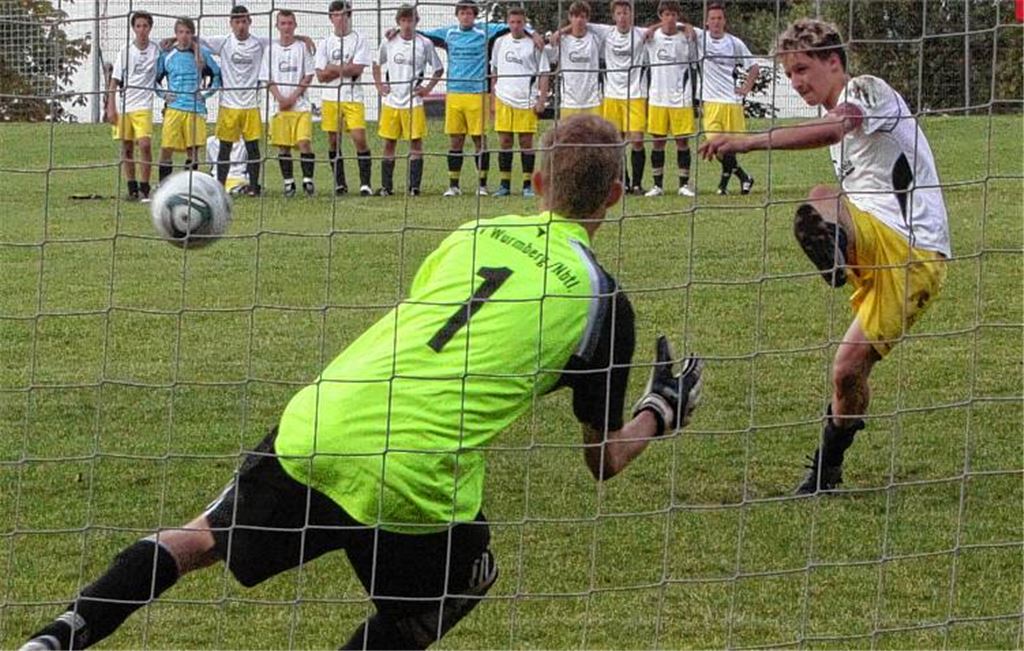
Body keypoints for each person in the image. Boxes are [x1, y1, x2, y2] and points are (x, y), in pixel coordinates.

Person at [20, 113, 704, 651]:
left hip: (324, 418)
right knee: (458, 584)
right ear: (616, 192)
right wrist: (658, 409)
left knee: (196, 538)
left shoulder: (475, 234)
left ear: (535, 182)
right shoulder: (603, 303)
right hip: (416, 475)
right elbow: (602, 459)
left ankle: (58, 635)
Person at [699, 18, 950, 494]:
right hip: (874, 248)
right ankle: (826, 473)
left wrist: (749, 140)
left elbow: (837, 129)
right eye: (789, 74)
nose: (795, 82)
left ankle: (836, 251)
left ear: (833, 61)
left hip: (912, 252)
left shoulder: (867, 90)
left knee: (821, 196)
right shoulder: (838, 113)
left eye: (802, 69)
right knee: (846, 372)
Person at [421, 0, 532, 196]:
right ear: (457, 15)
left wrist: (536, 35)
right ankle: (453, 185)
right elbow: (422, 34)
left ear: (475, 15)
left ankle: (482, 185)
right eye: (462, 13)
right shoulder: (448, 33)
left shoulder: (486, 31)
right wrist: (395, 32)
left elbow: (518, 25)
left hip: (478, 94)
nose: (466, 16)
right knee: (456, 141)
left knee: (480, 140)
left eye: (470, 13)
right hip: (455, 93)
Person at [372, 5, 444, 197]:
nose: (406, 24)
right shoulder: (389, 41)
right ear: (398, 22)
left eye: (410, 20)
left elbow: (438, 68)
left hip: (413, 102)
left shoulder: (424, 43)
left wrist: (427, 89)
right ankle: (387, 187)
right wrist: (380, 86)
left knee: (415, 143)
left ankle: (414, 187)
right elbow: (376, 64)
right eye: (403, 20)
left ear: (416, 22)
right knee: (389, 142)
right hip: (392, 101)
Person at [200, 5, 268, 196]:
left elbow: (284, 39)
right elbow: (196, 38)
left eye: (244, 21)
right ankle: (220, 186)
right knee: (225, 148)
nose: (241, 26)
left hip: (251, 105)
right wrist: (172, 39)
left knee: (252, 147)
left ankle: (254, 188)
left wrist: (302, 38)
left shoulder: (260, 43)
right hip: (228, 105)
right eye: (237, 22)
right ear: (231, 24)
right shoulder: (223, 42)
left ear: (250, 22)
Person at [695, 1, 759, 195]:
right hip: (711, 102)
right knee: (715, 145)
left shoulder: (734, 43)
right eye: (712, 18)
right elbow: (682, 27)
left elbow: (754, 66)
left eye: (719, 18)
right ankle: (743, 178)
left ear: (725, 21)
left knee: (729, 147)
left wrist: (746, 87)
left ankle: (724, 186)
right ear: (706, 22)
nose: (716, 22)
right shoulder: (700, 39)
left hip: (731, 102)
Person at [490, 6, 549, 197]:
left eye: (519, 22)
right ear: (508, 23)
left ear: (525, 24)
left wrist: (541, 99)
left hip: (526, 101)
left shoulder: (534, 44)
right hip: (503, 99)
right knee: (505, 142)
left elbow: (544, 73)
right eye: (512, 22)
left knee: (526, 142)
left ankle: (527, 186)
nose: (516, 26)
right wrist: (493, 97)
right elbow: (494, 72)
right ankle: (504, 185)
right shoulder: (499, 42)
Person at [316, 0, 374, 196]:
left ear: (349, 16)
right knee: (333, 141)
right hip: (330, 98)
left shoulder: (359, 40)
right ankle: (340, 183)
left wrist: (332, 67)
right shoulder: (325, 42)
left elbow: (357, 69)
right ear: (331, 18)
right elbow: (321, 76)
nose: (340, 19)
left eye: (343, 14)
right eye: (336, 15)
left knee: (359, 138)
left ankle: (365, 184)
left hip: (353, 97)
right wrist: (343, 69)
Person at [155, 17, 221, 183]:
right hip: (174, 108)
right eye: (181, 32)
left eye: (188, 32)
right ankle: (163, 185)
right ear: (176, 34)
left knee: (192, 150)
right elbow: (154, 80)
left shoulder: (202, 54)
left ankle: (189, 186)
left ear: (192, 34)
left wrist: (206, 94)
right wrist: (164, 95)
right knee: (166, 148)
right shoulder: (167, 54)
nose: (184, 36)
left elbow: (217, 74)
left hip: (195, 108)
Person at [644, 0, 698, 197]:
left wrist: (687, 26)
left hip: (680, 99)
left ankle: (684, 185)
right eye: (666, 14)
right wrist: (653, 27)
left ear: (678, 16)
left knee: (682, 142)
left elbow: (693, 34)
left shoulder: (687, 37)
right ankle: (657, 185)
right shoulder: (651, 37)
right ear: (661, 16)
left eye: (674, 15)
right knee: (658, 142)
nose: (670, 19)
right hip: (657, 98)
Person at [260, 9, 317, 197]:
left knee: (304, 142)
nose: (286, 27)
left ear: (295, 25)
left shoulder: (302, 47)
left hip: (300, 106)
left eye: (290, 23)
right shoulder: (270, 50)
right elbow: (267, 78)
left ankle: (308, 181)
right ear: (277, 26)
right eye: (283, 23)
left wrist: (293, 97)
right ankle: (288, 183)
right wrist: (280, 98)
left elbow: (308, 75)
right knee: (283, 147)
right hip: (279, 108)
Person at [597, 0, 650, 194]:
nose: (623, 17)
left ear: (632, 15)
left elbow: (671, 24)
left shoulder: (641, 34)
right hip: (612, 95)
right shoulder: (605, 32)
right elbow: (579, 22)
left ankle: (637, 183)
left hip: (635, 95)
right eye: (619, 13)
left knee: (637, 140)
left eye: (626, 13)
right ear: (614, 16)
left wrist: (681, 27)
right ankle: (622, 181)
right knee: (615, 142)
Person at [107, 10, 159, 202]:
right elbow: (114, 81)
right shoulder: (126, 51)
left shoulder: (156, 50)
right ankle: (132, 188)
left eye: (145, 26)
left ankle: (145, 187)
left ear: (150, 28)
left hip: (144, 105)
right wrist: (110, 106)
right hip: (126, 105)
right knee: (126, 146)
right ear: (133, 28)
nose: (142, 30)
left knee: (144, 144)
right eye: (138, 26)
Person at [549, 1, 604, 121]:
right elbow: (550, 56)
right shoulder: (561, 41)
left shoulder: (596, 39)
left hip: (593, 102)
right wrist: (558, 33)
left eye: (582, 17)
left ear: (587, 18)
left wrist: (562, 30)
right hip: (569, 102)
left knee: (594, 138)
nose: (579, 20)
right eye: (575, 16)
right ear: (570, 17)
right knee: (569, 138)